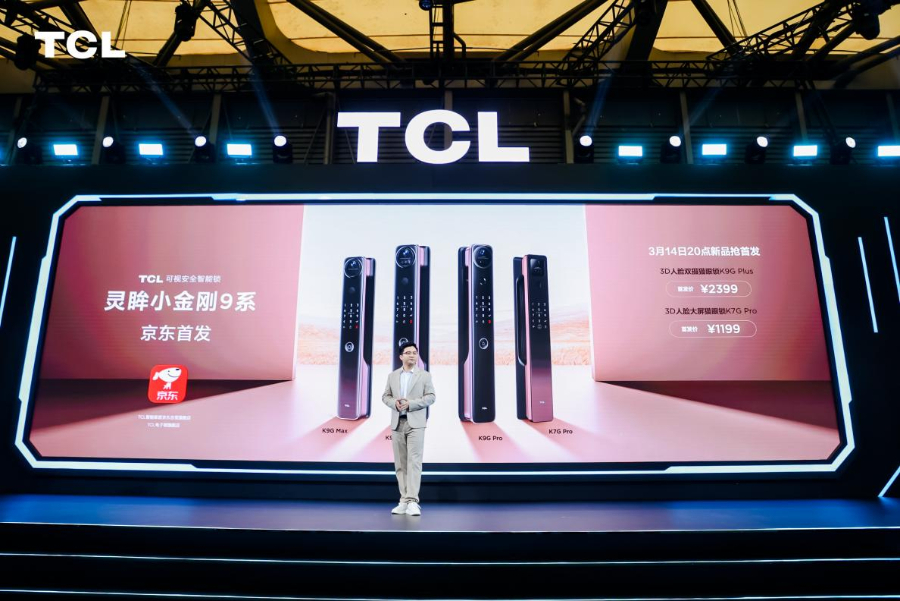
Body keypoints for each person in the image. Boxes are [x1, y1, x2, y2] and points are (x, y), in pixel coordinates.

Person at [382, 342, 435, 516]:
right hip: (397, 423)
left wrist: (410, 404)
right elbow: (385, 396)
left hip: (416, 424)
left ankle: (412, 501)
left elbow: (431, 397)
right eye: (408, 352)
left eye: (414, 352)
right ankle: (403, 501)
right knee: (400, 464)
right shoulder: (392, 376)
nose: (412, 355)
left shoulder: (424, 375)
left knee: (414, 463)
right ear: (401, 356)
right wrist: (394, 404)